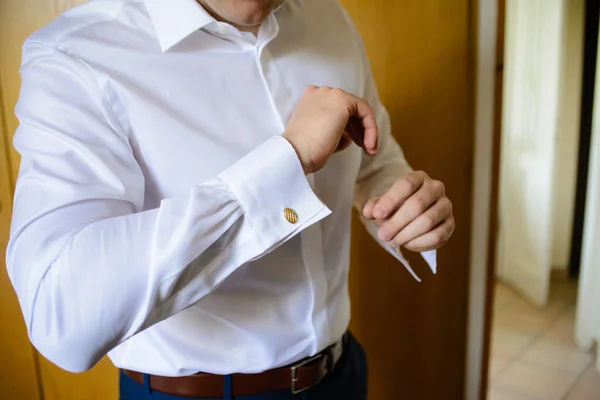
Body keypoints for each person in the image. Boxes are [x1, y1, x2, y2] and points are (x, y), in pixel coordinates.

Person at [6, 0, 455, 399]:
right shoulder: (76, 56)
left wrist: (404, 207)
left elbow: (375, 160)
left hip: (342, 374)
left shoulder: (329, 15)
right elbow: (60, 316)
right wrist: (287, 160)